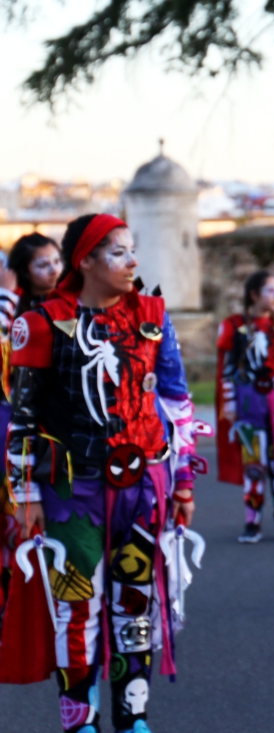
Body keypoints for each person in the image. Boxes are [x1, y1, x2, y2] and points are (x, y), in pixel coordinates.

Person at [2, 213, 203, 733]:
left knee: (135, 604)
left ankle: (132, 718)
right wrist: (24, 496)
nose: (133, 261)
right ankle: (80, 721)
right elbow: (22, 418)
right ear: (85, 260)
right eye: (118, 252)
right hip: (73, 492)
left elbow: (177, 403)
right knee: (77, 608)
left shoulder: (155, 316)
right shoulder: (43, 323)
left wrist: (182, 483)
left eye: (133, 249)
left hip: (145, 488)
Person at [216, 271, 274, 543]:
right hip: (250, 408)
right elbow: (228, 370)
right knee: (253, 466)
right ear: (254, 294)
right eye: (271, 290)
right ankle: (252, 521)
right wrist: (230, 403)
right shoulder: (237, 328)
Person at [0, 234, 57, 647]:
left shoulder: (73, 309)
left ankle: (53, 610)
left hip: (58, 432)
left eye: (58, 261)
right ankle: (14, 611)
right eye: (43, 264)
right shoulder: (11, 312)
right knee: (14, 518)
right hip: (11, 424)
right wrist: (5, 293)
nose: (53, 271)